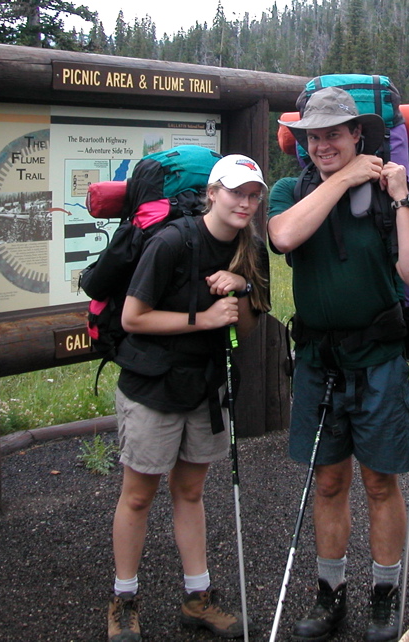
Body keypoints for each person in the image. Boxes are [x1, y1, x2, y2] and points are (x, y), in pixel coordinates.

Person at [268, 86, 409, 642]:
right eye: (314, 135)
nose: (323, 143)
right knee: (329, 480)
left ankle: (384, 594)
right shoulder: (290, 191)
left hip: (380, 358)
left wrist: (401, 195)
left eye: (335, 133)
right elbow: (284, 235)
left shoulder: (386, 195)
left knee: (380, 480)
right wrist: (345, 177)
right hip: (318, 360)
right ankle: (329, 592)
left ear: (358, 132)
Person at [106, 154, 270, 642]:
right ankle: (124, 599)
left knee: (191, 490)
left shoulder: (251, 249)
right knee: (138, 495)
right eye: (235, 191)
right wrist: (201, 319)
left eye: (253, 194)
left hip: (205, 385)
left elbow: (247, 326)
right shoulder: (172, 241)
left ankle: (197, 597)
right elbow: (133, 319)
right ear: (213, 193)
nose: (245, 202)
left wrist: (240, 289)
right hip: (151, 383)